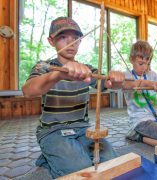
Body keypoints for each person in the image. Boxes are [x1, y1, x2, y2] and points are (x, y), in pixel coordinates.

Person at [22, 17, 124, 178]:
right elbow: (28, 90)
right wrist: (57, 75)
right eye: (63, 37)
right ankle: (50, 156)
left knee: (111, 161)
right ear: (51, 41)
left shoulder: (87, 69)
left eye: (75, 38)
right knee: (80, 169)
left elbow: (109, 85)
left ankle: (61, 154)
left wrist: (117, 79)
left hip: (83, 128)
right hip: (52, 130)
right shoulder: (43, 66)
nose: (71, 42)